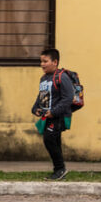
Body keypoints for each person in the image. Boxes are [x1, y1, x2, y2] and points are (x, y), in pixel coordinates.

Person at [31, 47, 74, 181]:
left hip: (58, 116)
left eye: (45, 61)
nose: (42, 64)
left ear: (55, 62)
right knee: (54, 141)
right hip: (47, 116)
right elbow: (41, 96)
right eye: (41, 61)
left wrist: (53, 112)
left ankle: (60, 169)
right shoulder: (44, 78)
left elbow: (68, 97)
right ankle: (60, 171)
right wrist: (35, 108)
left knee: (49, 139)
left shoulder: (62, 77)